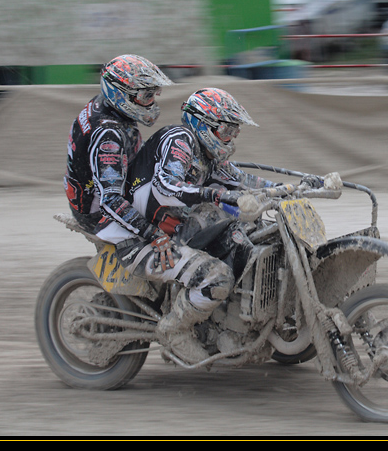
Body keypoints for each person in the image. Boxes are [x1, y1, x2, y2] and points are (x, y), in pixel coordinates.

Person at [123, 88, 308, 364]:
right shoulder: (181, 139)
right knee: (219, 266)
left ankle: (233, 317)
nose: (231, 137)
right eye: (227, 130)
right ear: (203, 124)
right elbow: (166, 185)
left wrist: (295, 187)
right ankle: (174, 329)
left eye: (235, 131)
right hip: (146, 233)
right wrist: (217, 194)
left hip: (177, 225)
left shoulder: (208, 154)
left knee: (249, 231)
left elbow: (245, 181)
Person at [64, 53, 174, 248]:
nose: (152, 103)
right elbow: (111, 200)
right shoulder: (108, 134)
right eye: (146, 96)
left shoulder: (104, 106)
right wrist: (152, 233)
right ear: (121, 93)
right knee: (181, 215)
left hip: (93, 192)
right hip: (98, 211)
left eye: (153, 94)